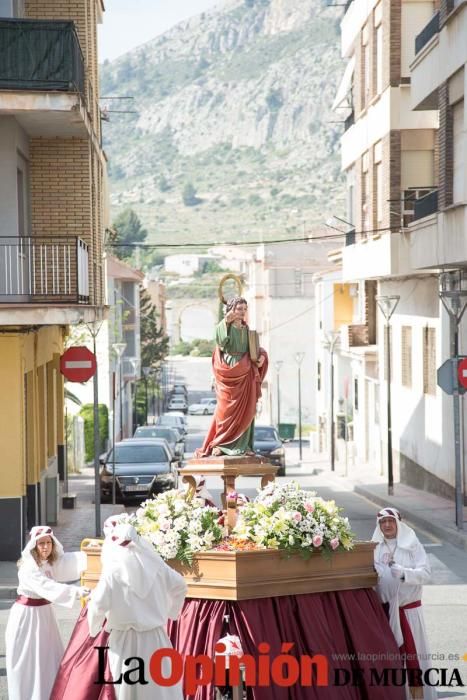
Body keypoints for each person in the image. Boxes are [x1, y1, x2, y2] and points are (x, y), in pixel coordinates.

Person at [87, 520, 187, 699]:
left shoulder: (112, 570)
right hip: (155, 637)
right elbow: (180, 585)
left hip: (125, 641)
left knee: (128, 689)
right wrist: (171, 612)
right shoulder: (156, 565)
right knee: (158, 689)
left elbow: (97, 604)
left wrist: (93, 628)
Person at [5, 525, 89, 700]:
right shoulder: (29, 567)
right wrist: (75, 591)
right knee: (30, 660)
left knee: (48, 658)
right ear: (34, 546)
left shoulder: (47, 563)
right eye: (41, 543)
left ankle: (49, 693)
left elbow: (67, 563)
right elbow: (46, 586)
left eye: (48, 543)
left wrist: (92, 554)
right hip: (27, 618)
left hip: (44, 614)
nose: (45, 547)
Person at [372, 507, 436, 700]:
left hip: (409, 613)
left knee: (413, 653)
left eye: (391, 521)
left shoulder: (412, 545)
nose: (387, 525)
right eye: (383, 522)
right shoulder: (374, 548)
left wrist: (405, 574)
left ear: (398, 523)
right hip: (385, 613)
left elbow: (425, 573)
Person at [196, 296, 268, 457]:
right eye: (239, 309)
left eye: (244, 309)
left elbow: (256, 348)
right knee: (225, 410)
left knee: (247, 409)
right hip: (229, 371)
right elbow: (220, 341)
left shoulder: (247, 330)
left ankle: (244, 447)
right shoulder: (224, 327)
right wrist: (225, 322)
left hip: (247, 373)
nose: (242, 312)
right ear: (231, 310)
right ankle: (220, 444)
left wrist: (262, 356)